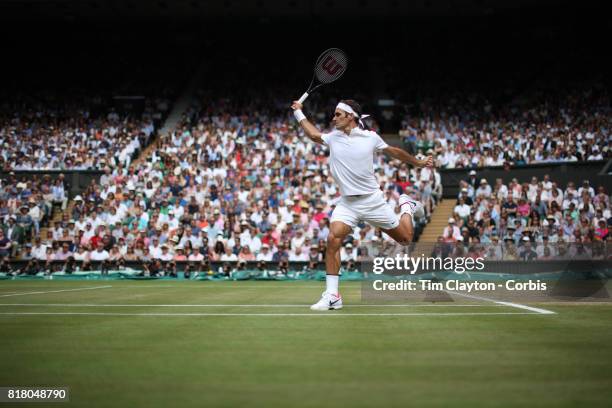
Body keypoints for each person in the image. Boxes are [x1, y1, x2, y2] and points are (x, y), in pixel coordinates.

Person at [291, 99, 433, 310]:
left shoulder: (370, 138)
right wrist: (298, 113)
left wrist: (418, 162)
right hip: (347, 203)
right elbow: (312, 134)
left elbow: (394, 151)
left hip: (372, 201)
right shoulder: (332, 138)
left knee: (405, 239)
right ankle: (332, 295)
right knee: (333, 238)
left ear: (350, 117)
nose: (334, 118)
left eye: (338, 114)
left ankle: (406, 206)